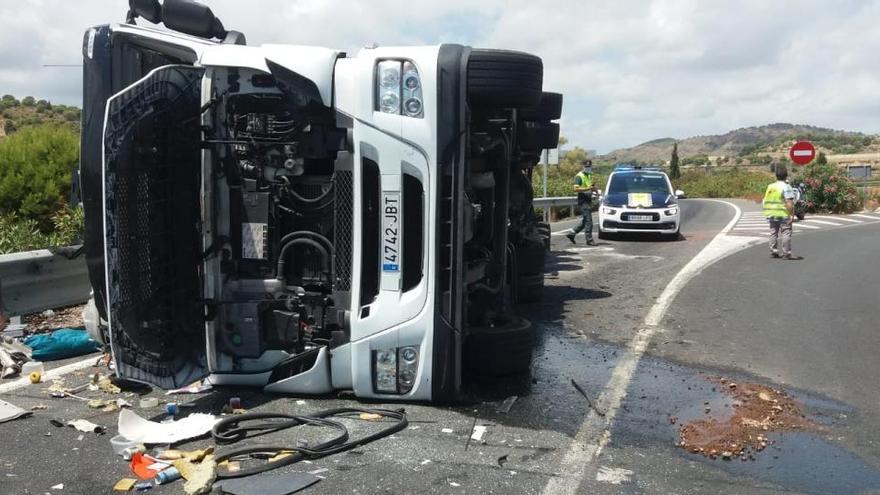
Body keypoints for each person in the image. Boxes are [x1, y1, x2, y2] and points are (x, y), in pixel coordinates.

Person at [763, 165, 803, 260]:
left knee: (773, 232)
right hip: (782, 214)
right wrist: (791, 215)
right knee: (786, 232)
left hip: (771, 213)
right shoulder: (786, 186)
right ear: (786, 176)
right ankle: (787, 253)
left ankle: (773, 252)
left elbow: (765, 200)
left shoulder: (770, 186)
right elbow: (789, 203)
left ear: (776, 175)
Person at [567, 159, 597, 245]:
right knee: (589, 221)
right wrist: (588, 188)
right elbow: (575, 189)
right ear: (583, 166)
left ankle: (572, 233)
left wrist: (595, 190)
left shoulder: (589, 175)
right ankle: (589, 240)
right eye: (586, 166)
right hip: (583, 201)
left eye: (589, 166)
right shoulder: (579, 176)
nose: (588, 168)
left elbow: (590, 186)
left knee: (585, 221)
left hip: (588, 200)